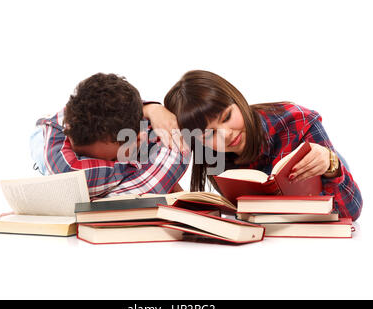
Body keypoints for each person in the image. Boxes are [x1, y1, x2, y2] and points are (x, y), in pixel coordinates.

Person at [157, 70, 362, 220]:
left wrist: (331, 163)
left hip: (326, 176)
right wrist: (151, 109)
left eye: (227, 117)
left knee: (330, 160)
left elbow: (350, 213)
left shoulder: (295, 121)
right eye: (209, 133)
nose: (226, 135)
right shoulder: (209, 153)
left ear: (236, 100)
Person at [30, 73, 189, 199]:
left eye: (111, 159)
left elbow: (135, 194)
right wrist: (150, 107)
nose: (87, 163)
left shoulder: (170, 144)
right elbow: (68, 176)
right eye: (80, 156)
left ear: (137, 140)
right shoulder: (62, 130)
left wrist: (150, 108)